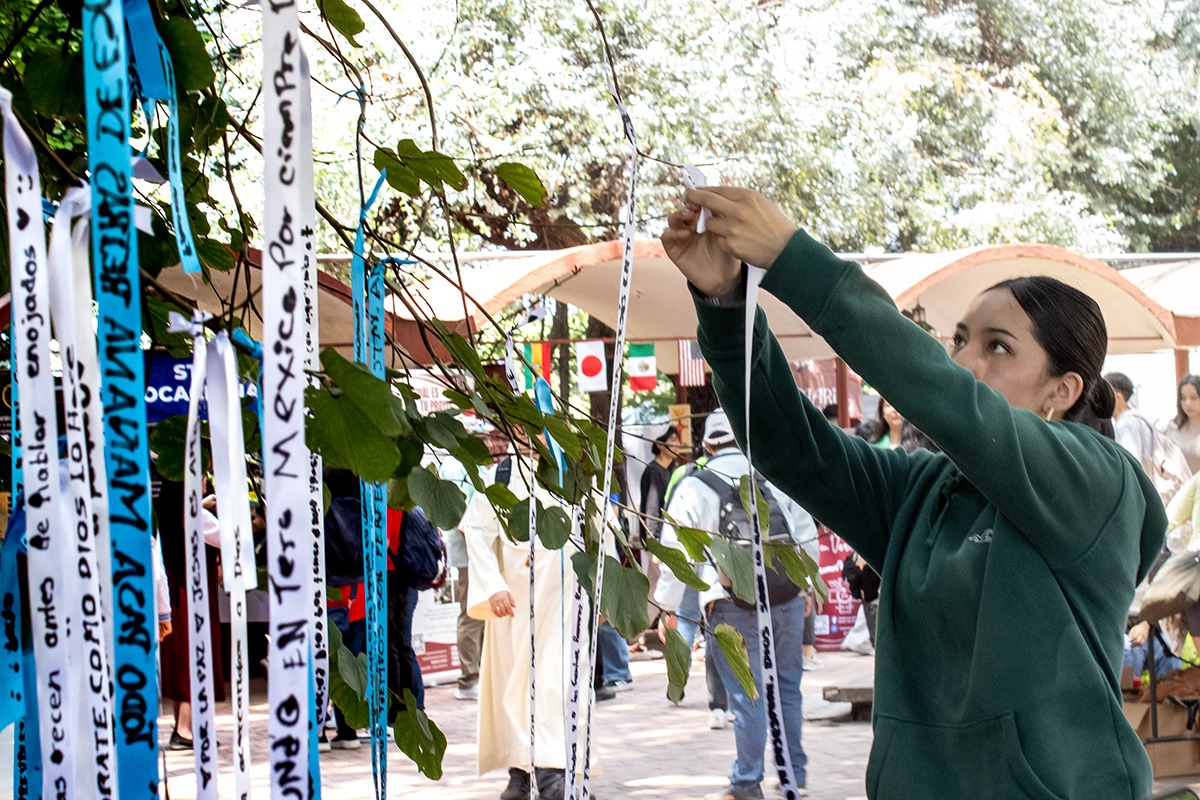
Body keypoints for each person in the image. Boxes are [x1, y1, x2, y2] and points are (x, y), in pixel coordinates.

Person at [662, 185, 1166, 799]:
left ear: (1061, 391)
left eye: (997, 347)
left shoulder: (1097, 481)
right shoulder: (925, 489)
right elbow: (790, 445)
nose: (963, 362)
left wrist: (795, 257)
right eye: (960, 340)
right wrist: (725, 299)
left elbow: (947, 397)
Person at [656, 408, 814, 800]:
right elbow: (806, 532)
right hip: (787, 596)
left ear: (708, 445)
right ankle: (794, 778)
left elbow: (674, 553)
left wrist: (669, 607)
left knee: (748, 694)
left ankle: (746, 781)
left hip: (730, 604)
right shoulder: (773, 476)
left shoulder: (694, 485)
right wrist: (808, 587)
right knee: (788, 688)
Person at [463, 436, 587, 800]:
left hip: (567, 601)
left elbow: (597, 532)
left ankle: (552, 770)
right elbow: (477, 530)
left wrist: (602, 596)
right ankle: (521, 771)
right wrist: (492, 585)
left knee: (558, 682)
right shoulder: (501, 476)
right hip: (516, 604)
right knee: (516, 689)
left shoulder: (573, 474)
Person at [639, 424, 683, 541]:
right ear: (659, 444)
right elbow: (652, 510)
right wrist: (655, 541)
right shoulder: (653, 471)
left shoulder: (667, 471)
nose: (678, 445)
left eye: (678, 440)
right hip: (656, 543)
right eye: (673, 440)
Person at [1163, 374, 1200, 474]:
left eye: (1193, 397)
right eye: (1183, 398)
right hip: (1178, 487)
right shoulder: (1172, 427)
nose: (1187, 403)